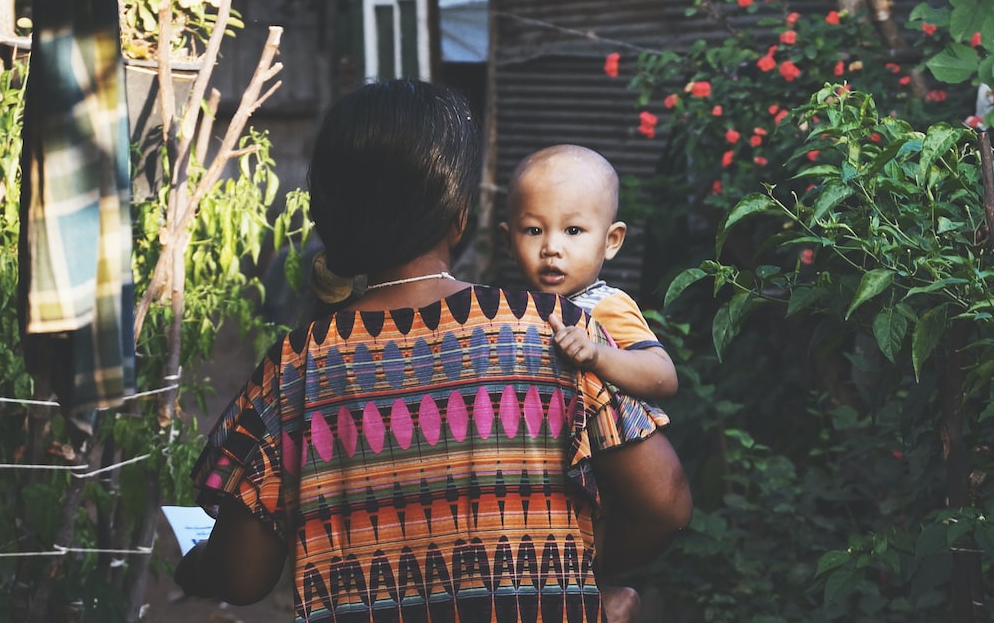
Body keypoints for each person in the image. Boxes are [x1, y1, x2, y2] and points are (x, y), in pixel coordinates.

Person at [175, 80, 690, 622]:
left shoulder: (296, 366)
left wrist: (195, 567)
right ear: (461, 215)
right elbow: (666, 504)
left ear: (330, 217)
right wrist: (577, 585)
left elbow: (243, 574)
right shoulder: (556, 332)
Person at [502, 145, 677, 402]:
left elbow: (663, 376)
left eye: (573, 230)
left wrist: (596, 354)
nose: (551, 248)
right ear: (509, 243)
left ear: (611, 241)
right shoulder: (516, 309)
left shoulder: (605, 306)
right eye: (534, 230)